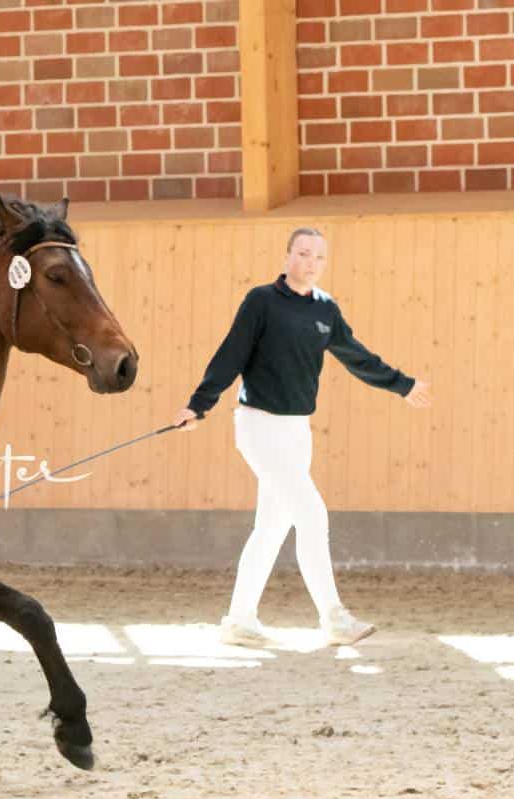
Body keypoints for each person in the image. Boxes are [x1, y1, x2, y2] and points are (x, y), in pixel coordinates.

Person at [173, 228, 432, 647]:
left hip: (297, 430)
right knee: (312, 515)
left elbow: (357, 357)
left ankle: (239, 620)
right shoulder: (261, 301)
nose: (311, 263)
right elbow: (230, 354)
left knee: (271, 527)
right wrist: (198, 405)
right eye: (303, 253)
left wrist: (401, 384)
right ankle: (334, 618)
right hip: (259, 426)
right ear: (288, 256)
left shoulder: (326, 310)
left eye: (319, 257)